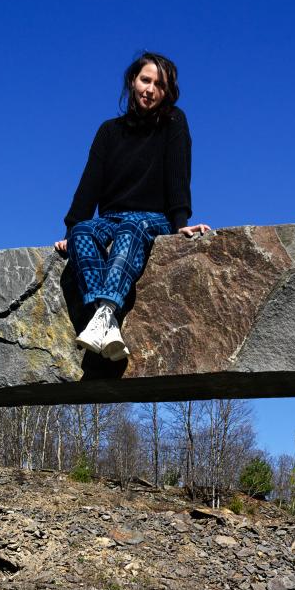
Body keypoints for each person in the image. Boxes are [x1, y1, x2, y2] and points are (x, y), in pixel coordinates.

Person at [55, 52, 211, 361]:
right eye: (145, 80)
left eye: (159, 85)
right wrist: (71, 231)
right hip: (110, 217)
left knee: (132, 227)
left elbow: (179, 174)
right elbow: (89, 183)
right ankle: (107, 323)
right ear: (132, 81)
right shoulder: (109, 131)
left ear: (167, 92)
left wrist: (181, 221)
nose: (150, 90)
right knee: (84, 232)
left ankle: (104, 311)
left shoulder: (174, 122)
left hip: (152, 219)